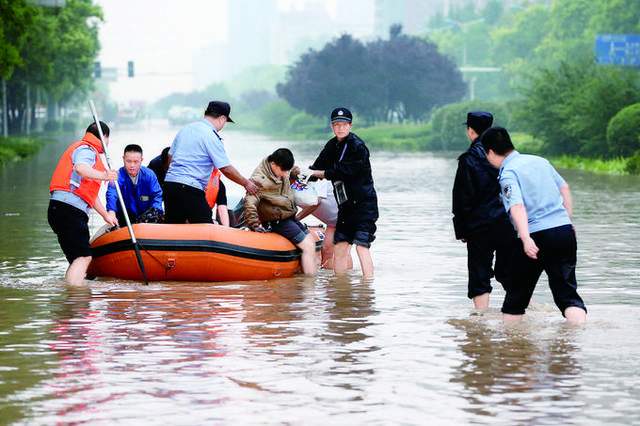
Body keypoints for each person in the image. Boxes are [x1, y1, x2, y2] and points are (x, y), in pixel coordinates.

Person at [481, 127, 587, 324]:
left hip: (536, 235)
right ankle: (576, 340)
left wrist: (525, 237)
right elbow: (564, 187)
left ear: (490, 152)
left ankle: (513, 349)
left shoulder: (508, 173)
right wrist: (567, 219)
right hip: (564, 231)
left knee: (516, 298)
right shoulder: (541, 161)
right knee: (567, 295)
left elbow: (517, 205)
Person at [452, 111, 517, 310]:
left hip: (479, 227)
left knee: (480, 274)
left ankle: (481, 322)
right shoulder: (508, 157)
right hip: (508, 224)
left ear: (471, 131)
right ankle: (521, 313)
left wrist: (462, 230)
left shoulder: (468, 160)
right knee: (511, 273)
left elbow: (462, 199)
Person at [309, 107, 378, 278]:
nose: (340, 128)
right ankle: (341, 290)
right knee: (339, 247)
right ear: (332, 126)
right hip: (345, 206)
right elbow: (318, 166)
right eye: (336, 124)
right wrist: (300, 175)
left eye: (344, 124)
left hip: (364, 206)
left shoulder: (358, 147)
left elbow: (344, 171)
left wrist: (321, 174)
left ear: (350, 125)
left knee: (362, 246)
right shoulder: (332, 145)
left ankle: (368, 289)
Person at [163, 101, 259, 224]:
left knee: (173, 228)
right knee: (205, 226)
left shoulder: (185, 129)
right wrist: (246, 183)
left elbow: (170, 157)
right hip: (190, 188)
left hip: (170, 185)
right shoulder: (211, 136)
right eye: (225, 122)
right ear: (222, 118)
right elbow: (225, 168)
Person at [47, 121, 118, 285]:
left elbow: (89, 195)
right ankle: (75, 299)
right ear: (104, 137)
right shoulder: (86, 149)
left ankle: (70, 304)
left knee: (77, 260)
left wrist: (106, 215)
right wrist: (105, 176)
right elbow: (80, 167)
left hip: (60, 209)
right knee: (84, 257)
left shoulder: (85, 151)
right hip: (69, 211)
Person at [244, 148, 317, 276]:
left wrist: (297, 173)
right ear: (273, 165)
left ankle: (304, 276)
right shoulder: (259, 180)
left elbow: (291, 170)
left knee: (311, 241)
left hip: (289, 216)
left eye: (287, 170)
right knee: (308, 246)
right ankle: (309, 286)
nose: (285, 174)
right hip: (276, 220)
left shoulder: (282, 167)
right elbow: (250, 203)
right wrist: (255, 225)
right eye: (283, 170)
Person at [295, 177, 351, 270]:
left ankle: (344, 280)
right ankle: (328, 280)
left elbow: (316, 202)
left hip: (347, 218)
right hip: (333, 223)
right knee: (326, 249)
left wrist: (296, 219)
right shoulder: (289, 186)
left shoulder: (320, 179)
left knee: (342, 252)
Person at [106, 144, 163, 226]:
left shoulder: (149, 175)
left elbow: (157, 195)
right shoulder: (118, 176)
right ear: (123, 159)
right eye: (128, 161)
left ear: (141, 160)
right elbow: (112, 193)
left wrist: (156, 210)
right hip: (124, 217)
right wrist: (111, 211)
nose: (132, 165)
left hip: (145, 218)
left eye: (136, 162)